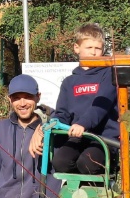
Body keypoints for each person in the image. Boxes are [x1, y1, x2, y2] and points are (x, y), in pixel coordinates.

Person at [30, 23, 118, 175]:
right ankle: (74, 194)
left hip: (103, 138)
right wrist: (51, 125)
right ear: (77, 48)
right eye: (89, 48)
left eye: (98, 48)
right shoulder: (69, 81)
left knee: (88, 163)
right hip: (78, 137)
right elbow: (63, 113)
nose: (93, 53)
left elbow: (100, 107)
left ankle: (98, 191)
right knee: (60, 162)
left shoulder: (109, 75)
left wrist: (82, 124)